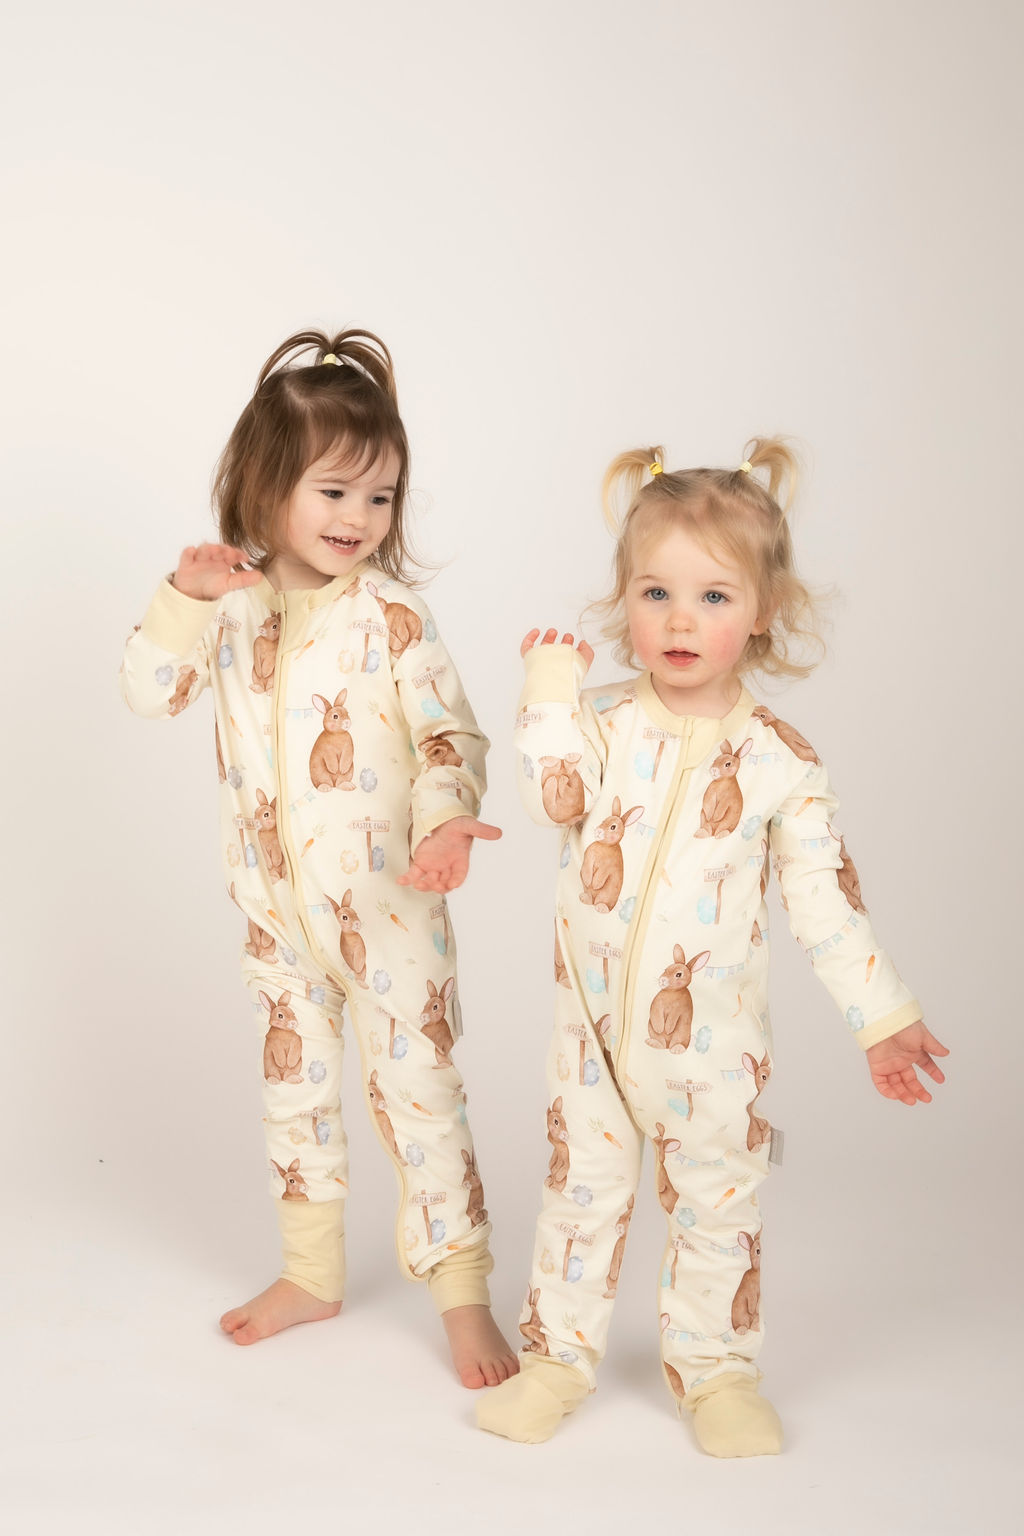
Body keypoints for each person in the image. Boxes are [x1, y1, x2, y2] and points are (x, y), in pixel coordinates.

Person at [476, 440, 947, 1451]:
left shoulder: (781, 763)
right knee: (577, 1200)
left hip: (712, 1052)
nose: (681, 619)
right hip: (591, 1041)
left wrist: (883, 1017)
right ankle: (556, 1362)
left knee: (717, 1211)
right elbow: (553, 796)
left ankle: (718, 1375)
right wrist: (549, 687)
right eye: (656, 593)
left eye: (713, 596)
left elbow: (825, 903)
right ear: (626, 602)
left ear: (764, 610)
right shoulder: (600, 725)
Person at [121, 328, 516, 1389]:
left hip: (390, 913)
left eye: (380, 497)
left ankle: (463, 1294)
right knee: (293, 1097)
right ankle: (310, 1274)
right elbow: (149, 692)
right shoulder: (227, 606)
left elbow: (451, 738)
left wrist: (444, 821)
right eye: (334, 492)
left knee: (421, 1096)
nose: (359, 518)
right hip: (275, 917)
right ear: (266, 487)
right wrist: (183, 596)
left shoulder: (392, 617)